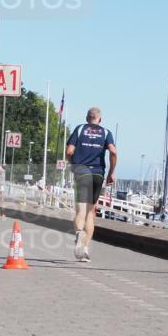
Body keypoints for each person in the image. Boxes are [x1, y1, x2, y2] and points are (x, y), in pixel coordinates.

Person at [66, 107, 117, 262]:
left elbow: (69, 151)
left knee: (80, 211)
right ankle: (86, 250)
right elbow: (113, 152)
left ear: (87, 118)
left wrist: (72, 164)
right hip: (97, 174)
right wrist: (111, 172)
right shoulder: (106, 133)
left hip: (81, 172)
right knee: (90, 213)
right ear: (99, 119)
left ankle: (78, 234)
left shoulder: (80, 129)